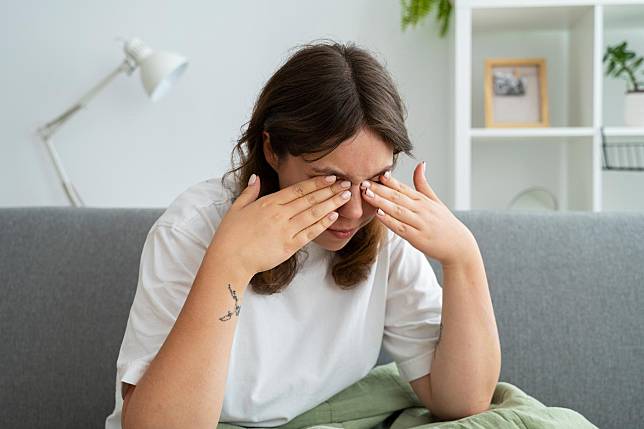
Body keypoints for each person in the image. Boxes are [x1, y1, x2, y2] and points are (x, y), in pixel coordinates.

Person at [105, 39, 501, 429]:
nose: (354, 210)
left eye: (375, 179)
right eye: (331, 181)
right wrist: (230, 264)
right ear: (274, 150)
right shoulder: (191, 229)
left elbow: (462, 401)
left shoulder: (384, 229)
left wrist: (463, 257)